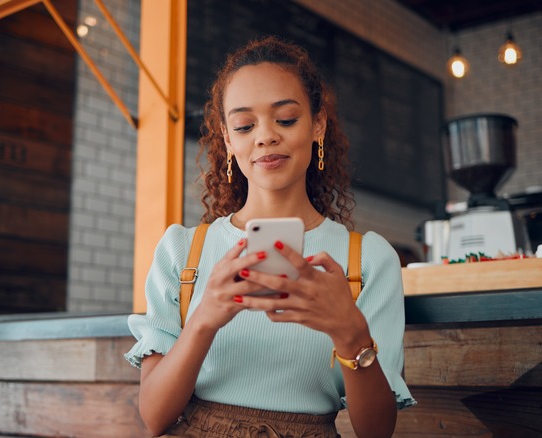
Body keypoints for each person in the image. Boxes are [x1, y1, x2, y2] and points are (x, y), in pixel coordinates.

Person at [125, 36, 415, 438]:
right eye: (244, 125)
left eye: (286, 119)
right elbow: (154, 417)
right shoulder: (181, 252)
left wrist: (350, 333)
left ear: (318, 124)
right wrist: (204, 319)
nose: (264, 137)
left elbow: (377, 432)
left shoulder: (366, 260)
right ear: (228, 139)